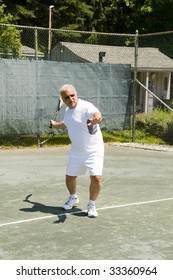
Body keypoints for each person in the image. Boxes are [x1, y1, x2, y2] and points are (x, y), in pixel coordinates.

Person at [50, 84, 104, 217]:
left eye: (72, 95)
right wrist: (55, 125)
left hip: (94, 150)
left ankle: (91, 204)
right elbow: (67, 123)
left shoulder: (86, 107)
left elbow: (97, 114)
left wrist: (97, 119)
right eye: (67, 97)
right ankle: (73, 197)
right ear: (63, 99)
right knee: (69, 178)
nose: (71, 99)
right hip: (76, 151)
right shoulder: (68, 112)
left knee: (96, 178)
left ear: (76, 94)